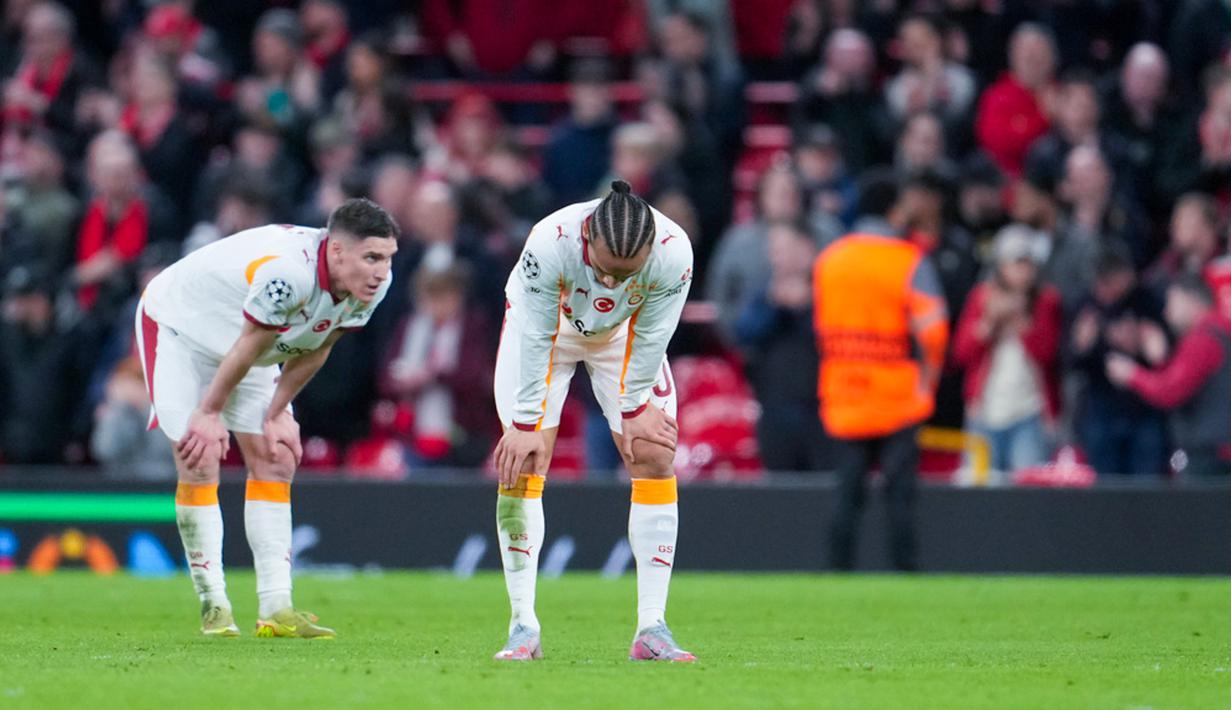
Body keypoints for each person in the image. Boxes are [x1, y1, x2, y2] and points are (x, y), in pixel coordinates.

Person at [135, 198, 399, 637]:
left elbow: (321, 342)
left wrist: (276, 412)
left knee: (276, 457)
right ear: (336, 251)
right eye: (371, 257)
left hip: (248, 345)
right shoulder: (288, 274)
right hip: (181, 328)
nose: (381, 271)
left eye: (388, 259)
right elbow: (249, 343)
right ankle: (213, 604)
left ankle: (277, 608)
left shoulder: (373, 287)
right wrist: (209, 412)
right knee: (198, 456)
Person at [491, 181, 694, 662]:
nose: (611, 283)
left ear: (649, 250)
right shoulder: (549, 240)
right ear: (587, 240)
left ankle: (652, 628)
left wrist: (634, 410)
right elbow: (538, 335)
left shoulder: (675, 252)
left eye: (627, 273)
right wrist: (523, 422)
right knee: (525, 460)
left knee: (653, 454)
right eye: (605, 270)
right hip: (547, 330)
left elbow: (653, 334)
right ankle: (523, 627)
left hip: (623, 336)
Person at [812, 171, 949, 571]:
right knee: (899, 493)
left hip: (845, 391)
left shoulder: (830, 260)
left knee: (846, 492)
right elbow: (934, 331)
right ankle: (904, 573)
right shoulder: (907, 259)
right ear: (892, 209)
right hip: (897, 394)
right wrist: (930, 378)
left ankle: (837, 573)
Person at [952, 226, 1062, 479]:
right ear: (1001, 266)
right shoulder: (982, 298)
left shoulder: (1046, 301)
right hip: (984, 412)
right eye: (1016, 264)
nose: (1023, 272)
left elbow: (1047, 354)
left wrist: (1022, 322)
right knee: (979, 491)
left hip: (1029, 413)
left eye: (1028, 264)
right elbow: (960, 354)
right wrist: (989, 324)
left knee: (1029, 493)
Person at [1107, 275, 1231, 478]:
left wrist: (1131, 374)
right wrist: (1161, 361)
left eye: (1172, 300)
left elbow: (1171, 391)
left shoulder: (1204, 339)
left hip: (1212, 457)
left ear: (1191, 299)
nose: (1167, 311)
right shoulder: (1219, 332)